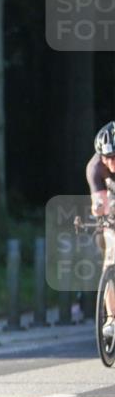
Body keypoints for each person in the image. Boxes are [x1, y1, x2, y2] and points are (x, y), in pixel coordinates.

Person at [87, 120, 115, 337]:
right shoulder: (95, 168)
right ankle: (112, 319)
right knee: (109, 258)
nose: (111, 163)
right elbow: (99, 203)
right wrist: (98, 209)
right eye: (107, 158)